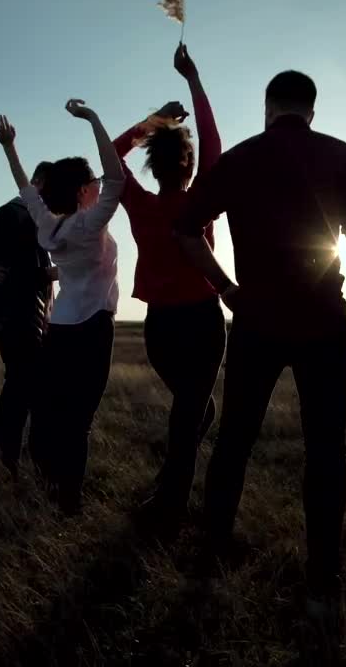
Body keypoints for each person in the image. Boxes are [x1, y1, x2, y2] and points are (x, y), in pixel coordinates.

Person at [174, 70, 346, 612]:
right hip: (323, 321)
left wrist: (225, 288)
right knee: (326, 450)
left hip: (256, 321)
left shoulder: (237, 160)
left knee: (234, 442)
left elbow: (185, 231)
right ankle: (323, 580)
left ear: (267, 108)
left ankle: (210, 559)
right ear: (311, 110)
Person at [0, 99, 125, 514]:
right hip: (93, 329)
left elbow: (25, 190)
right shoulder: (90, 223)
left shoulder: (50, 226)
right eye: (92, 182)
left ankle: (47, 483)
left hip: (60, 329)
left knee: (52, 411)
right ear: (83, 190)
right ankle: (68, 501)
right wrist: (93, 118)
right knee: (79, 420)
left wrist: (10, 148)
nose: (99, 186)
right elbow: (117, 176)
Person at [112, 43, 224, 522]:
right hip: (202, 321)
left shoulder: (140, 204)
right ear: (189, 166)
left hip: (160, 327)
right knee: (193, 411)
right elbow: (214, 144)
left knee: (194, 408)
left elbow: (111, 154)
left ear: (153, 167)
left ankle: (168, 489)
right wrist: (193, 79)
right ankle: (170, 504)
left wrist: (155, 121)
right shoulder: (201, 199)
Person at [0, 161, 58, 477]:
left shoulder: (32, 216)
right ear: (38, 183)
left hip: (28, 318)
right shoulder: (13, 213)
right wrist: (47, 274)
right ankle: (5, 459)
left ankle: (9, 458)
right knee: (21, 389)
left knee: (23, 388)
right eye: (51, 190)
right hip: (16, 318)